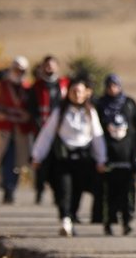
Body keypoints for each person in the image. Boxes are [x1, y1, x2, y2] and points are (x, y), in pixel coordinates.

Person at [30, 77, 107, 237]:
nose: (77, 95)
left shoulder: (90, 112)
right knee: (64, 189)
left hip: (83, 158)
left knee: (78, 190)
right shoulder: (60, 111)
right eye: (74, 91)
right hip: (63, 158)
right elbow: (47, 134)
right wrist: (37, 155)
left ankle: (71, 217)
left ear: (87, 93)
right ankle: (65, 218)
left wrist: (101, 159)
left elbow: (97, 136)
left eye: (80, 91)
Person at [96, 74, 136, 236]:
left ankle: (127, 221)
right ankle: (108, 222)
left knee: (128, 191)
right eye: (109, 85)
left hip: (128, 154)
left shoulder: (129, 103)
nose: (112, 88)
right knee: (109, 193)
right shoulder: (100, 104)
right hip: (108, 154)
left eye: (115, 85)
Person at [0, 57, 34, 203]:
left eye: (22, 70)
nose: (19, 72)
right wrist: (1, 113)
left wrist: (26, 115)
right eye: (17, 69)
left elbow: (31, 108)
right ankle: (6, 187)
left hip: (21, 130)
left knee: (18, 161)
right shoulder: (3, 86)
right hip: (4, 129)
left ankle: (11, 188)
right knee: (5, 158)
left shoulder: (28, 88)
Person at [29, 56, 69, 203]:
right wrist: (38, 123)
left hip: (60, 131)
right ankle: (39, 190)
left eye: (52, 65)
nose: (49, 68)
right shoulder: (37, 86)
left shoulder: (64, 84)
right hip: (41, 129)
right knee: (40, 161)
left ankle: (58, 193)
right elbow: (31, 108)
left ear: (57, 67)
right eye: (47, 66)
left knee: (59, 162)